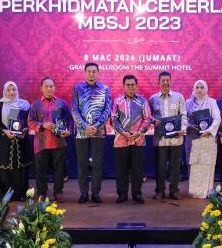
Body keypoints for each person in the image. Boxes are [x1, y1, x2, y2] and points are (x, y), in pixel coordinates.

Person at [71, 63, 112, 204]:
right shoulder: (77, 88)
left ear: (98, 73)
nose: (91, 74)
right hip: (81, 133)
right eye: (88, 71)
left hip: (98, 132)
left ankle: (95, 193)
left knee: (97, 164)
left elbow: (107, 109)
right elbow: (74, 110)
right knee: (82, 164)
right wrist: (85, 126)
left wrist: (96, 125)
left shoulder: (105, 89)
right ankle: (83, 193)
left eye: (94, 71)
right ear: (84, 73)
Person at [28, 77, 72, 203]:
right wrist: (42, 125)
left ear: (55, 88)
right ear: (41, 88)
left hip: (59, 141)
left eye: (51, 86)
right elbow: (30, 122)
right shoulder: (35, 105)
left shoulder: (62, 103)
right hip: (41, 142)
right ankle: (42, 193)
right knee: (40, 170)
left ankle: (58, 192)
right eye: (46, 86)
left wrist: (68, 130)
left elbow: (69, 119)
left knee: (59, 169)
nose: (49, 89)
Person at [111, 75, 152, 204]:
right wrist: (123, 132)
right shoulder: (117, 101)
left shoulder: (143, 101)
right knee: (121, 169)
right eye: (128, 85)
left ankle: (137, 194)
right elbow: (114, 119)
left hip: (138, 140)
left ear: (136, 85)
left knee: (137, 170)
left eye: (132, 84)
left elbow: (147, 118)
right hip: (121, 140)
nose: (130, 87)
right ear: (124, 86)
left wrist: (139, 132)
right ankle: (122, 194)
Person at [149, 72, 187, 200]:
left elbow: (183, 114)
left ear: (171, 82)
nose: (165, 83)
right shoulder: (153, 98)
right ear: (158, 82)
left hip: (176, 137)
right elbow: (148, 116)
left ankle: (174, 190)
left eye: (167, 80)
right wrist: (153, 121)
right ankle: (160, 191)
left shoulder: (179, 97)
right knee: (160, 166)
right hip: (160, 139)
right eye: (163, 80)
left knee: (175, 166)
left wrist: (183, 129)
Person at [0, 81, 32, 201]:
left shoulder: (24, 104)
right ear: (5, 91)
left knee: (21, 168)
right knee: (5, 169)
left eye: (13, 90)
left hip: (21, 142)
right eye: (8, 90)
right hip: (5, 141)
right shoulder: (0, 104)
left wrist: (26, 129)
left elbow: (30, 121)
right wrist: (5, 131)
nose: (11, 92)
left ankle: (21, 194)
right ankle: (6, 195)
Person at [185, 80, 221, 199]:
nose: (199, 90)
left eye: (202, 87)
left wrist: (209, 130)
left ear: (206, 89)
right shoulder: (188, 102)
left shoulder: (212, 102)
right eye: (197, 87)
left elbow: (217, 118)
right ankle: (194, 191)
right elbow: (184, 119)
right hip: (193, 138)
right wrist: (189, 126)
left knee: (206, 163)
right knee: (194, 164)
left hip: (207, 138)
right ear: (194, 89)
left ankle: (206, 191)